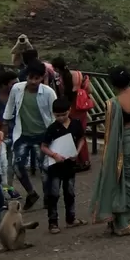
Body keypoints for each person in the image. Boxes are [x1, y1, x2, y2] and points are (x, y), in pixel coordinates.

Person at [89, 66, 130, 236]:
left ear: (113, 84)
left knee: (125, 182)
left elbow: (110, 131)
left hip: (126, 143)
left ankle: (126, 223)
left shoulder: (113, 103)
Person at [3, 60, 57, 211]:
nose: (33, 81)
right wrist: (5, 124)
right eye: (31, 77)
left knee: (45, 169)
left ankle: (48, 196)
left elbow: (54, 115)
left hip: (42, 135)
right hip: (23, 135)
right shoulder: (17, 89)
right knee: (17, 166)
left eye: (37, 78)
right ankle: (31, 193)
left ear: (42, 78)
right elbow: (10, 106)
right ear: (26, 76)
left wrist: (54, 136)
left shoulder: (48, 93)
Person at [39, 98, 87, 234]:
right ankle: (52, 222)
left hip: (70, 164)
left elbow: (81, 138)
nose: (60, 118)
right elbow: (44, 146)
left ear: (69, 111)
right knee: (53, 194)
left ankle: (70, 218)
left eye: (63, 114)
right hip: (55, 166)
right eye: (57, 115)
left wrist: (77, 152)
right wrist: (54, 155)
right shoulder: (52, 128)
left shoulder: (76, 124)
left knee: (70, 192)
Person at [51, 57, 94, 170]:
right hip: (80, 107)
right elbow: (88, 89)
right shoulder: (78, 74)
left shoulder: (60, 79)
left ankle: (79, 161)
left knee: (73, 134)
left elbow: (63, 93)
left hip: (71, 107)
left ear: (56, 68)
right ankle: (83, 160)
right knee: (80, 133)